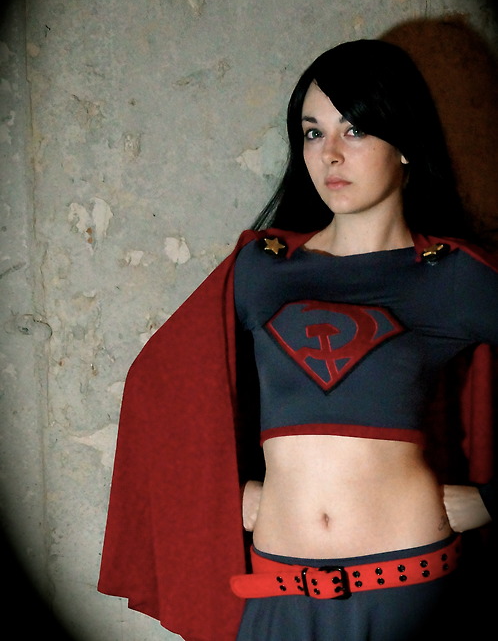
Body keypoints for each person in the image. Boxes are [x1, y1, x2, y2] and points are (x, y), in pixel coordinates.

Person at [98, 39, 497, 641]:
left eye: (354, 129)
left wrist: (490, 500)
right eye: (313, 133)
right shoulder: (263, 267)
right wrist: (220, 489)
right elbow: (161, 391)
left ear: (405, 142)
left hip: (411, 593)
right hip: (278, 594)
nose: (330, 154)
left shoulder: (454, 276)